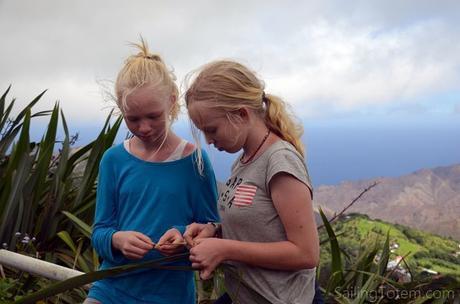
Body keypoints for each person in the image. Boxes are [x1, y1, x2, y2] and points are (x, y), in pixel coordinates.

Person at [85, 39, 219, 304]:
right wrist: (117, 240)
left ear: (171, 102)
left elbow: (211, 228)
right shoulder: (113, 160)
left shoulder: (195, 162)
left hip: (170, 296)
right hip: (111, 289)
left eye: (153, 116)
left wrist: (182, 235)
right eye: (132, 119)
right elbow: (99, 232)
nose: (143, 127)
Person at [183, 60, 320, 304]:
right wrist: (214, 232)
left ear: (242, 114)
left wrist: (224, 249)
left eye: (212, 129)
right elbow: (260, 226)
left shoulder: (280, 162)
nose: (209, 140)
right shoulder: (245, 160)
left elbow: (306, 253)